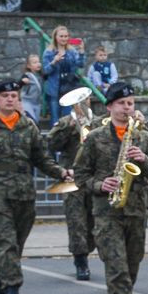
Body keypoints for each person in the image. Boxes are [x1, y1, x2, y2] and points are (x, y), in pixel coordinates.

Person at [0, 80, 71, 294]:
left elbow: (41, 159)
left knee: (15, 247)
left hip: (24, 194)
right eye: (5, 96)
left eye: (14, 95)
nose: (10, 99)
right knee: (6, 245)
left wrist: (61, 172)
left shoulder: (28, 126)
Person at [73, 82, 148, 294]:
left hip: (135, 211)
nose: (128, 108)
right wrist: (100, 185)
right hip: (106, 213)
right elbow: (80, 176)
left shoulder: (143, 137)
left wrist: (144, 160)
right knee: (117, 269)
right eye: (122, 104)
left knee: (131, 268)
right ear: (110, 106)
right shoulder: (95, 137)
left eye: (131, 103)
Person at [47, 90, 96, 280]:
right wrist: (69, 127)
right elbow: (52, 145)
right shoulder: (66, 122)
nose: (83, 103)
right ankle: (80, 259)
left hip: (93, 178)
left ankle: (88, 248)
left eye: (85, 99)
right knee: (76, 221)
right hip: (73, 178)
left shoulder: (99, 121)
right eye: (79, 101)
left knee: (93, 220)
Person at [41, 26, 85, 124]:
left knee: (68, 116)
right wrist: (54, 61)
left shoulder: (72, 51)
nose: (64, 38)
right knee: (55, 118)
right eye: (61, 36)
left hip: (69, 87)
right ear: (55, 37)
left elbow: (80, 65)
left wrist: (81, 52)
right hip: (54, 88)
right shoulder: (48, 52)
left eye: (66, 36)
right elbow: (45, 71)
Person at [19, 54, 44, 123]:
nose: (38, 64)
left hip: (37, 102)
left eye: (38, 62)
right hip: (27, 101)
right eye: (35, 62)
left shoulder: (40, 75)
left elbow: (47, 76)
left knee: (36, 121)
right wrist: (23, 81)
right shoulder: (27, 75)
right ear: (28, 66)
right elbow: (19, 84)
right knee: (31, 119)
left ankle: (35, 133)